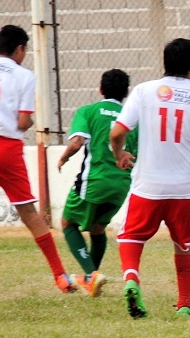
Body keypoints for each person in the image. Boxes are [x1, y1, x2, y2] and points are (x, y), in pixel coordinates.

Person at [0, 25, 78, 292]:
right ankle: (60, 276)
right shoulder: (24, 76)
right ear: (20, 49)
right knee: (29, 212)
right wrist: (27, 123)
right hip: (6, 149)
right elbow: (22, 121)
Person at [110, 38, 190, 319]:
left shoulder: (143, 91)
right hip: (185, 188)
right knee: (185, 243)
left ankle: (131, 278)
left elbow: (116, 134)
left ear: (164, 62)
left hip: (148, 185)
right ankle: (184, 304)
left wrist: (119, 154)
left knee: (131, 236)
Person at [56, 69, 138, 297]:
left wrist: (63, 158)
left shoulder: (89, 111)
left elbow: (77, 142)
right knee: (97, 228)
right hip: (121, 184)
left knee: (68, 223)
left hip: (94, 181)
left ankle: (91, 274)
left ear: (100, 89)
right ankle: (91, 279)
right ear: (126, 93)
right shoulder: (132, 119)